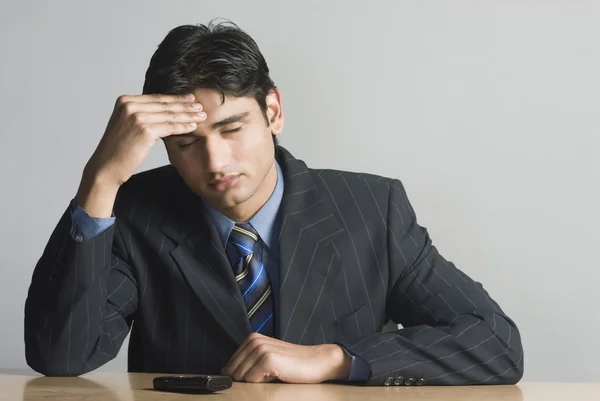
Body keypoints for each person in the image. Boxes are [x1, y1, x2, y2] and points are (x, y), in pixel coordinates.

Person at [24, 20, 524, 386]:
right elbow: (61, 356)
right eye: (186, 143)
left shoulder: (373, 208)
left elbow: (494, 342)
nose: (215, 161)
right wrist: (100, 180)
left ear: (274, 112)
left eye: (232, 128)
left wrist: (336, 359)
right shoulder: (134, 211)